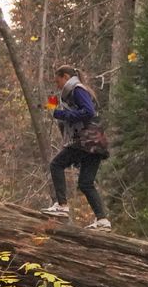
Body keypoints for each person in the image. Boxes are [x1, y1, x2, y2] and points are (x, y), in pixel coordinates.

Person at [41, 66, 111, 229]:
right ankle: (102, 220)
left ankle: (62, 205)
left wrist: (60, 114)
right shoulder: (73, 92)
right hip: (96, 142)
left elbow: (88, 112)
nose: (57, 85)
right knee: (86, 183)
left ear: (65, 77)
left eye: (58, 81)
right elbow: (62, 113)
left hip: (86, 140)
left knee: (56, 164)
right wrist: (53, 108)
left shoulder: (77, 89)